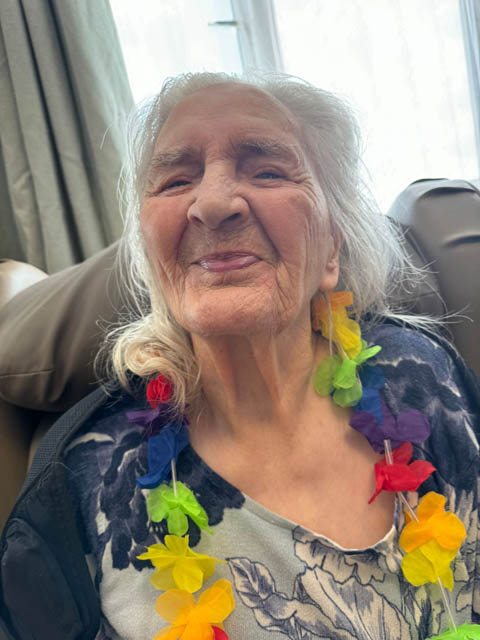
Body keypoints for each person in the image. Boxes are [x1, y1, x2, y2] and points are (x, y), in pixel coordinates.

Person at [1, 72, 479, 640]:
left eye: (268, 170)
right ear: (153, 261)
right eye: (176, 180)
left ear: (331, 246)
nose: (214, 204)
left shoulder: (426, 374)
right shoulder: (81, 487)